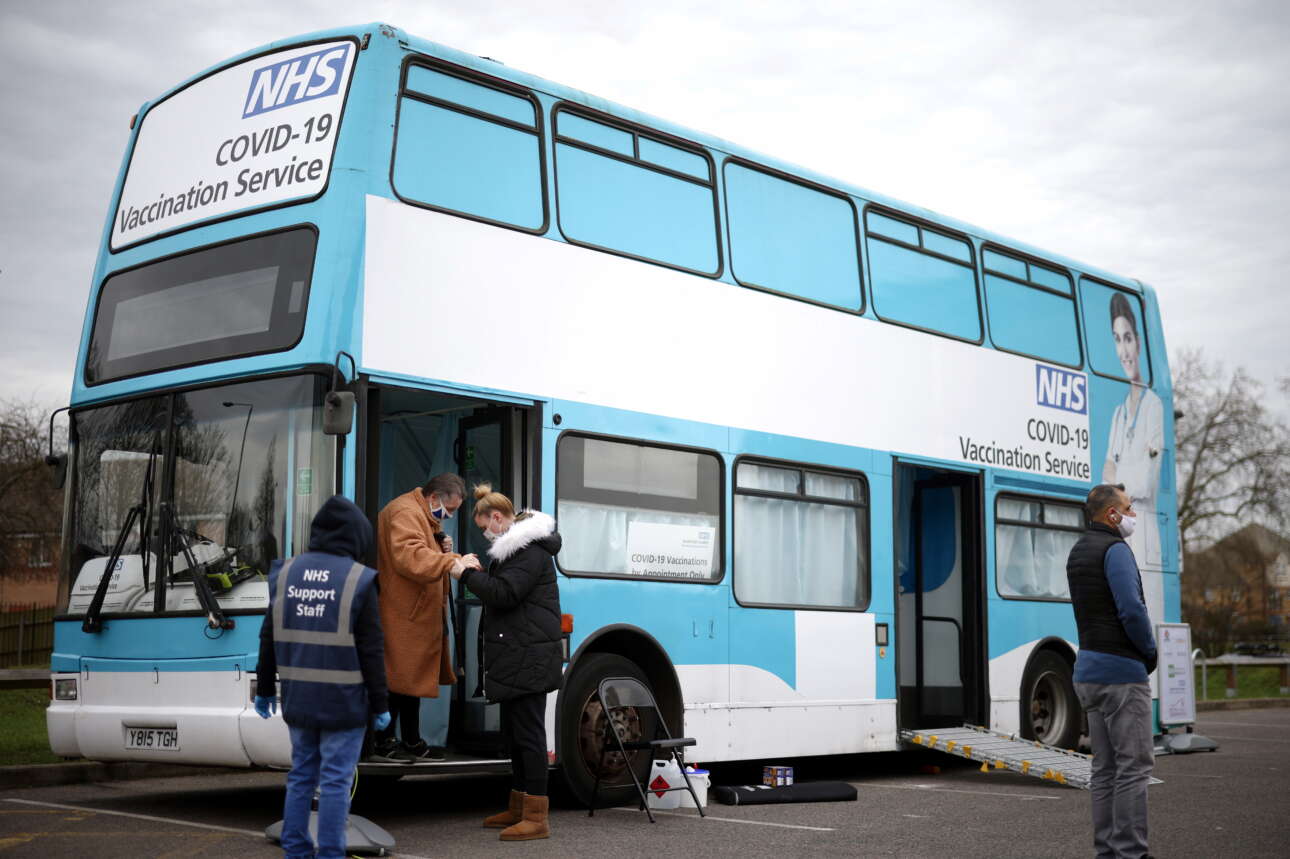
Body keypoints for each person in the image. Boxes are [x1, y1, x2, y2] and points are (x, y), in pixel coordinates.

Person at [255, 495, 390, 859]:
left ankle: (297, 852)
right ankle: (330, 853)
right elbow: (372, 649)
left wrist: (265, 688)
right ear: (357, 538)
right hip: (344, 704)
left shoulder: (284, 573)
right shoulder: (359, 579)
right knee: (334, 781)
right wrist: (380, 703)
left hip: (298, 699)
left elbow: (268, 636)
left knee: (300, 777)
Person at [452, 483, 563, 842]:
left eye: (485, 526)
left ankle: (536, 818)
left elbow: (506, 593)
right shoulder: (515, 552)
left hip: (528, 656)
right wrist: (478, 570)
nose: (485, 533)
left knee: (530, 737)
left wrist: (466, 574)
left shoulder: (529, 551)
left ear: (497, 518)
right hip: (520, 654)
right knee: (516, 737)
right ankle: (519, 808)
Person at [1066, 483, 1158, 859]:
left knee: (1104, 770)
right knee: (1133, 768)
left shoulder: (1078, 551)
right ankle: (1131, 853)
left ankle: (1107, 851)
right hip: (1121, 673)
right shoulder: (1116, 550)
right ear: (1111, 514)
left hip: (1087, 670)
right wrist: (1148, 652)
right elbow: (1131, 610)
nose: (1133, 513)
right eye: (1128, 507)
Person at [371, 472, 476, 763]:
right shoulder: (406, 511)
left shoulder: (418, 511)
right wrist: (453, 561)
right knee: (398, 677)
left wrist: (439, 546)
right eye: (450, 509)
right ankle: (385, 740)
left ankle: (410, 740)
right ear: (433, 498)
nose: (450, 515)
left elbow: (418, 550)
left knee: (410, 678)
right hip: (404, 610)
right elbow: (409, 557)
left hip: (411, 610)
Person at [1101, 293, 1164, 570]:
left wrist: (1118, 479)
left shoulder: (1155, 407)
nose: (1124, 351)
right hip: (1121, 535)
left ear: (1138, 343)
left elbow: (1147, 483)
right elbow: (1106, 476)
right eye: (1117, 339)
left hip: (1145, 535)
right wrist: (1123, 482)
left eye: (1127, 338)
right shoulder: (1118, 413)